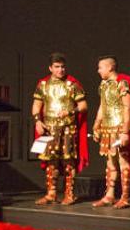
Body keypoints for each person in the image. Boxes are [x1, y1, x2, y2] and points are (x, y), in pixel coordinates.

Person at [31, 53, 88, 206]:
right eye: (57, 67)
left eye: (63, 67)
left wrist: (70, 112)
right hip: (49, 128)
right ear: (50, 68)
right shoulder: (43, 85)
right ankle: (51, 193)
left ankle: (69, 194)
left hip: (68, 128)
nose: (61, 70)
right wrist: (37, 122)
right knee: (51, 161)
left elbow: (83, 106)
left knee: (68, 161)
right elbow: (36, 106)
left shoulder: (72, 84)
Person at [92, 56, 130, 209]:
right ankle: (109, 195)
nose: (98, 70)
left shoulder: (122, 83)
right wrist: (97, 124)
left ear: (110, 67)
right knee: (110, 163)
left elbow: (127, 107)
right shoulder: (103, 85)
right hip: (107, 128)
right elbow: (102, 106)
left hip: (119, 127)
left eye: (100, 67)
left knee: (123, 161)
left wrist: (125, 130)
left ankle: (125, 196)